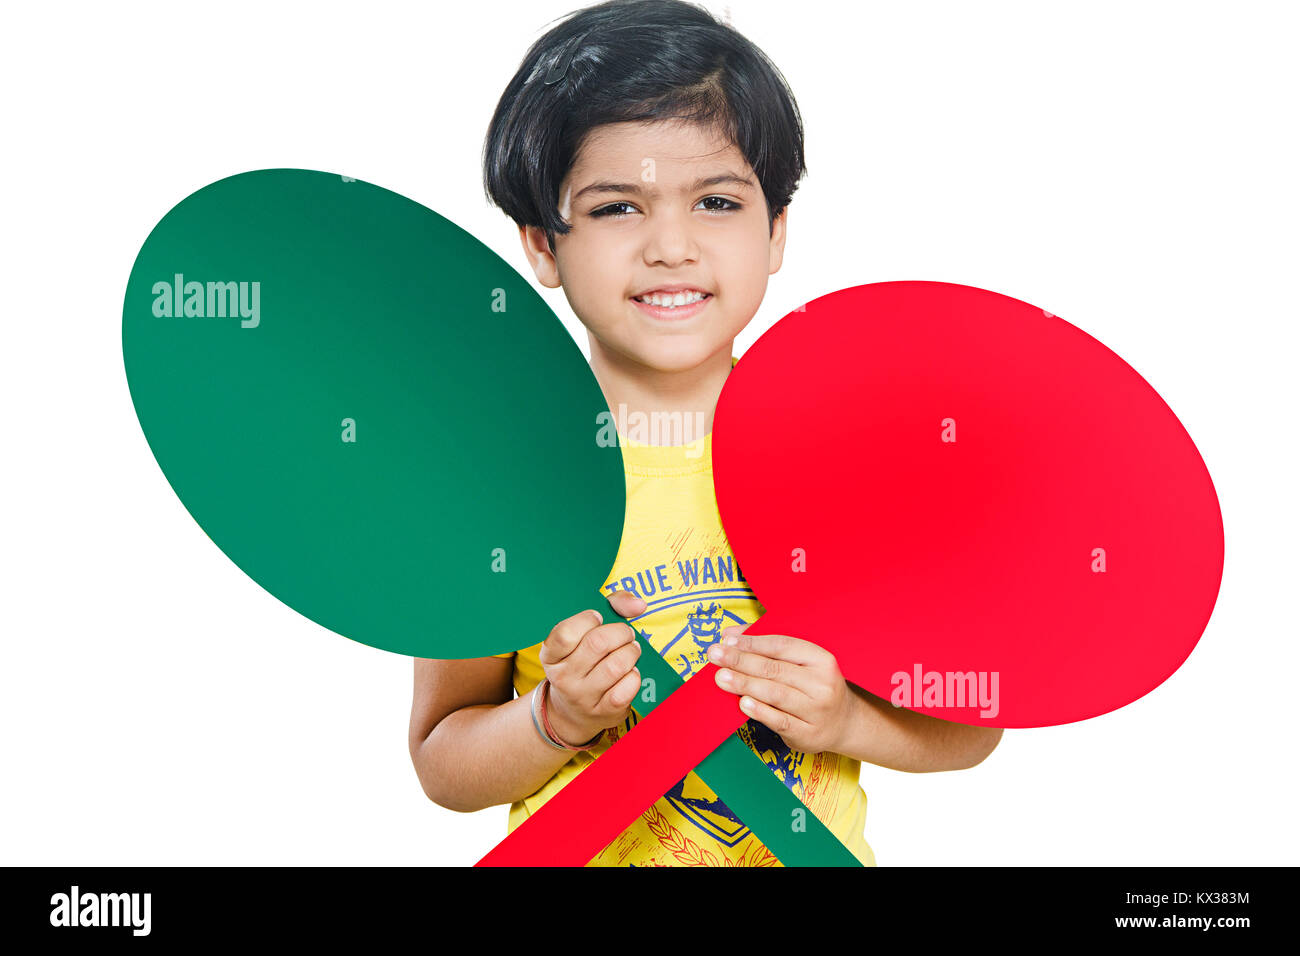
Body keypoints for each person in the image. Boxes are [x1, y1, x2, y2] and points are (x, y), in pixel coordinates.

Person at [409, 0, 1001, 866]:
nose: (672, 247)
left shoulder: (851, 464)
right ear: (542, 244)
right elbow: (441, 761)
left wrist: (847, 718)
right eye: (617, 208)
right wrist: (554, 719)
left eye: (717, 201)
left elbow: (971, 725)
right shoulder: (491, 487)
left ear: (776, 232)